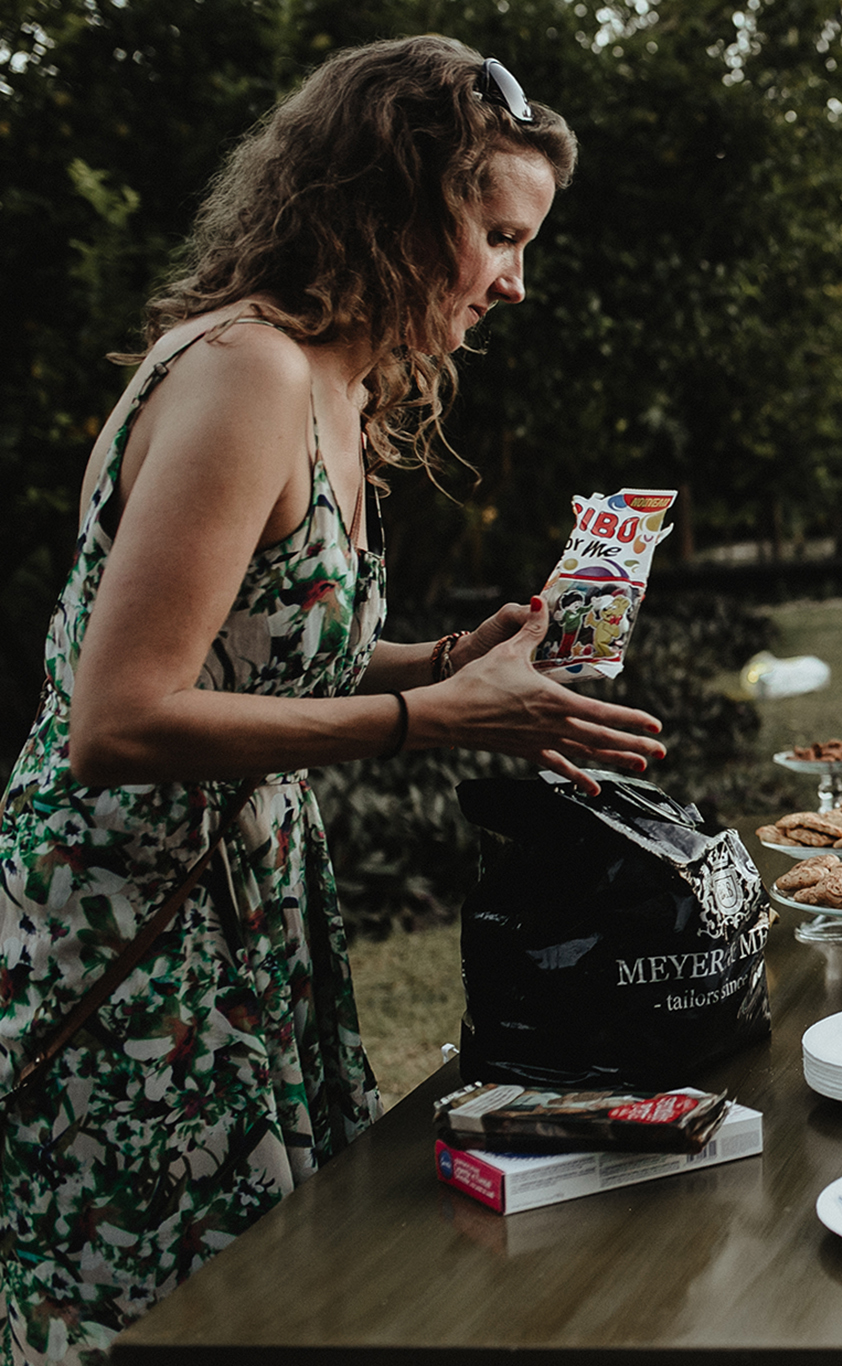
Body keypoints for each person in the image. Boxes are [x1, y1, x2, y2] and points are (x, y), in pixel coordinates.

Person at [0, 37, 667, 1365]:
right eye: (494, 233)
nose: (515, 281)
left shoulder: (335, 387)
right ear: (392, 200)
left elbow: (248, 652)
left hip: (243, 918)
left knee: (271, 1294)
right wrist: (434, 722)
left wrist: (433, 660)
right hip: (126, 936)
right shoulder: (246, 375)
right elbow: (118, 714)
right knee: (156, 1311)